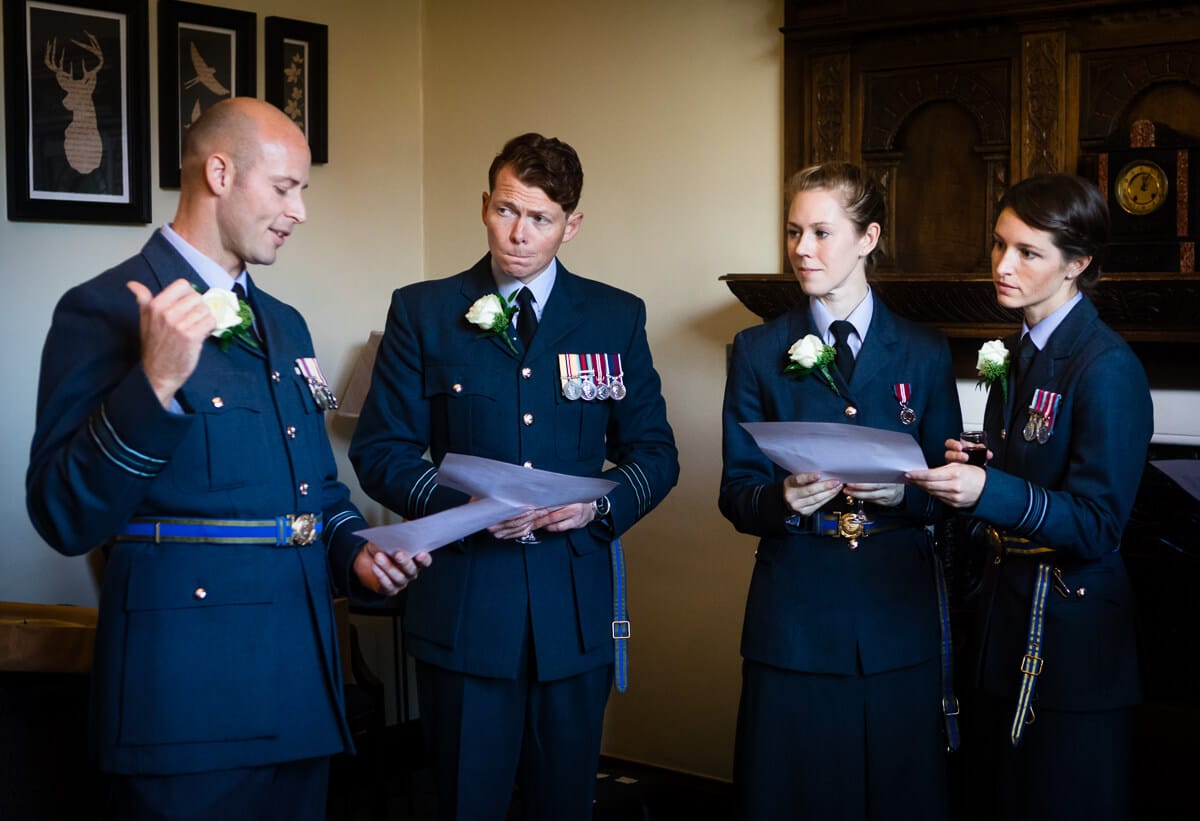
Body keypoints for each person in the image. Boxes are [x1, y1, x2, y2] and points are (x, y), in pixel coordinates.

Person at [25, 97, 429, 820]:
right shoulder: (104, 309)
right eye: (285, 188)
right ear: (218, 172)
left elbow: (318, 491)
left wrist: (354, 553)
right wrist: (153, 384)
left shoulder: (285, 323)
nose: (299, 211)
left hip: (301, 685)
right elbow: (61, 512)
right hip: (188, 702)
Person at [349, 132, 678, 821]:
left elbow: (655, 453)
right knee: (467, 803)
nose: (518, 233)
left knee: (564, 807)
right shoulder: (424, 310)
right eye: (506, 210)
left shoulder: (616, 316)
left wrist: (594, 510)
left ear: (571, 224)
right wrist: (465, 504)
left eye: (540, 218)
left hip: (575, 611)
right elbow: (380, 449)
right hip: (467, 608)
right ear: (483, 205)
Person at [719, 162, 961, 820]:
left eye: (821, 232)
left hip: (895, 615)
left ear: (868, 237)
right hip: (792, 616)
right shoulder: (756, 348)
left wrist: (902, 498)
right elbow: (735, 491)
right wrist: (781, 501)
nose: (801, 248)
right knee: (788, 794)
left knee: (899, 795)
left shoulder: (924, 350)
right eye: (794, 231)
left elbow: (953, 494)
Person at [908, 174, 1152, 821]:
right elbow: (1023, 470)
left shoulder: (1107, 367)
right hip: (1003, 624)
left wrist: (993, 488)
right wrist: (977, 463)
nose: (1002, 265)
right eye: (998, 245)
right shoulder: (1016, 353)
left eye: (1027, 252)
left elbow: (1100, 524)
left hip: (1072, 647)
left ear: (1078, 263)